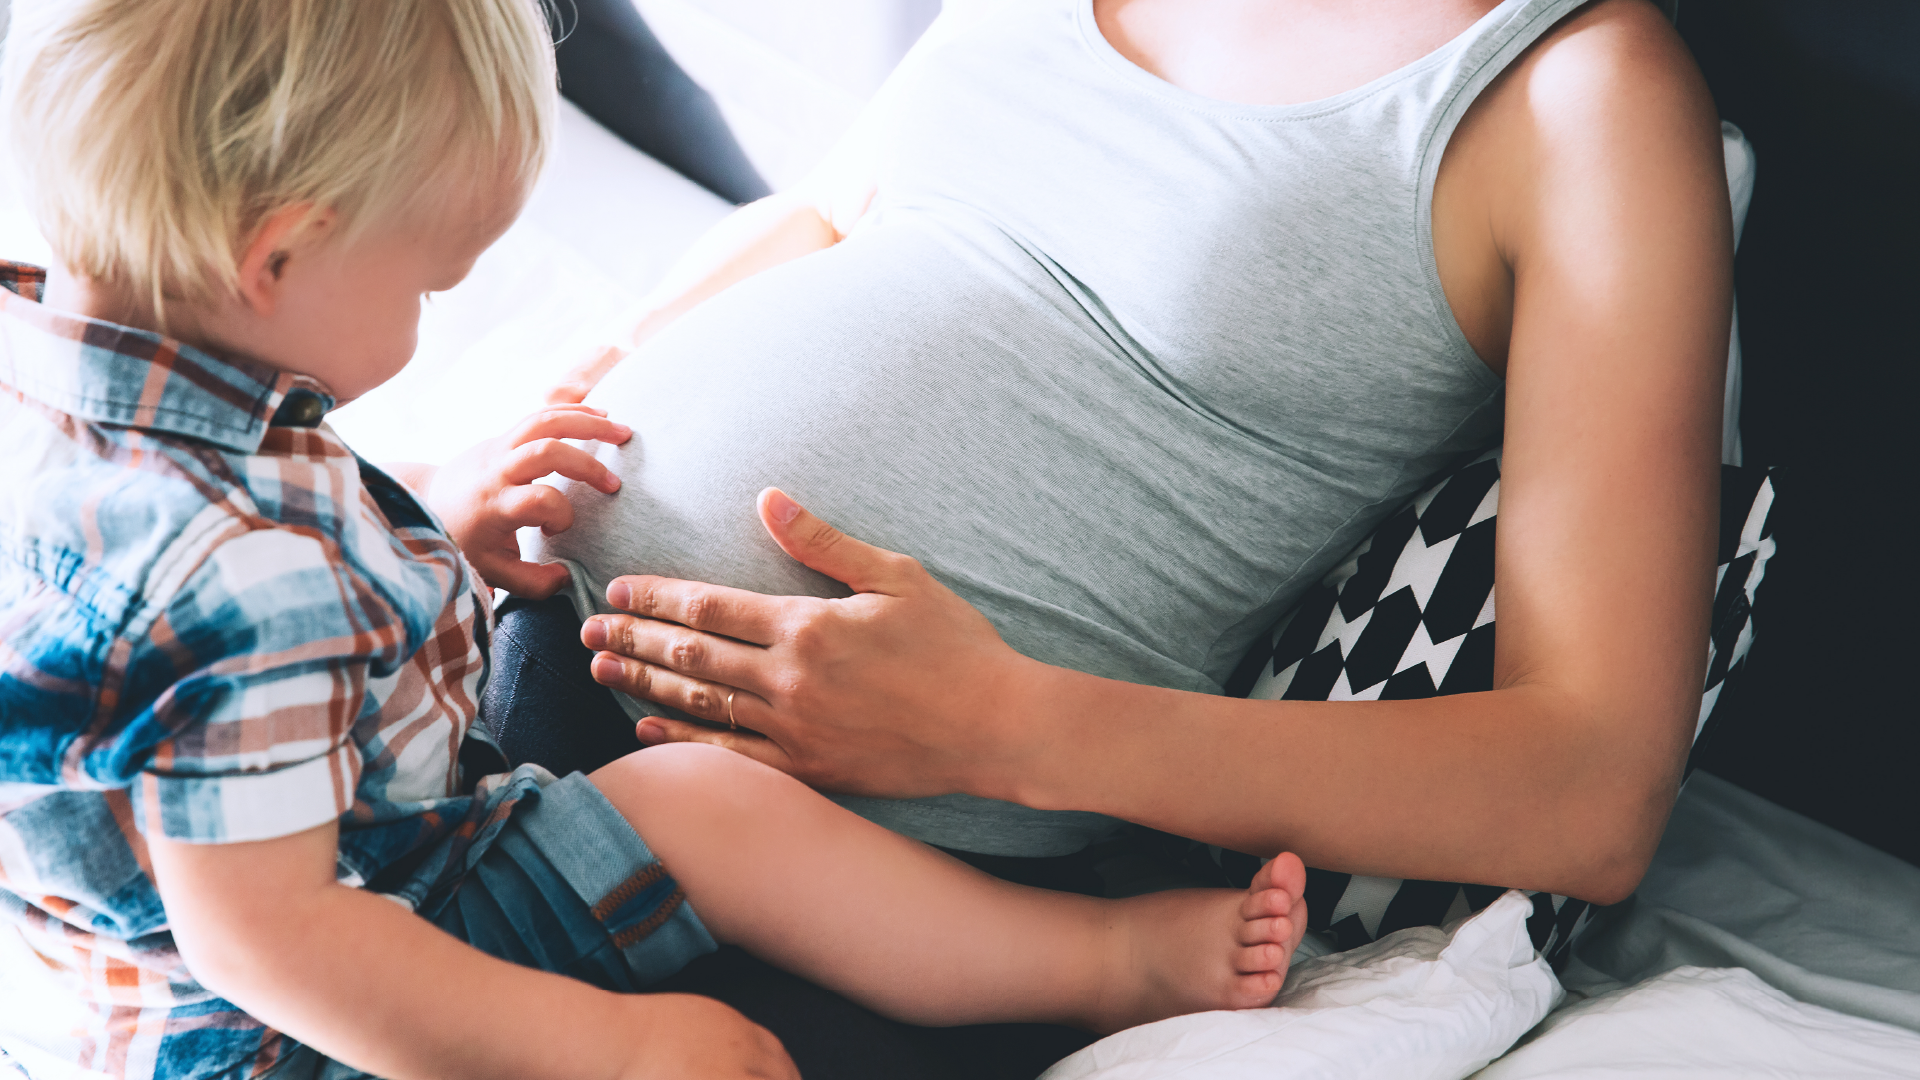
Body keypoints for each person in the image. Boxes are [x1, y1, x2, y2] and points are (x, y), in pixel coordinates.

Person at [0, 3, 1317, 1079]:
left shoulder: (104, 380)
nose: (422, 321)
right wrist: (608, 1047)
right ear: (277, 257)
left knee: (696, 806)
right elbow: (277, 945)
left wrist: (426, 528)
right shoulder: (226, 569)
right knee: (706, 811)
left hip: (310, 881)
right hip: (304, 1017)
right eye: (424, 286)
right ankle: (1105, 966)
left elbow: (199, 646)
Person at [498, 0, 1732, 1071]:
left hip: (873, 903)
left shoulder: (1585, 97)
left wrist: (1005, 726)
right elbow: (834, 214)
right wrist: (563, 415)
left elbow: (1593, 786)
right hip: (513, 645)